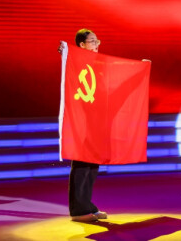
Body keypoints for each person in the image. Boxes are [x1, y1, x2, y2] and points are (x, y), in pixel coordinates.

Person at [58, 29, 107, 222]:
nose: (96, 44)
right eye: (92, 41)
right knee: (81, 163)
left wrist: (140, 69)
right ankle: (78, 210)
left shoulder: (98, 63)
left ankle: (87, 205)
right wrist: (64, 51)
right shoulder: (76, 61)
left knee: (92, 164)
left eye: (97, 41)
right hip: (81, 120)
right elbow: (67, 58)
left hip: (95, 120)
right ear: (82, 45)